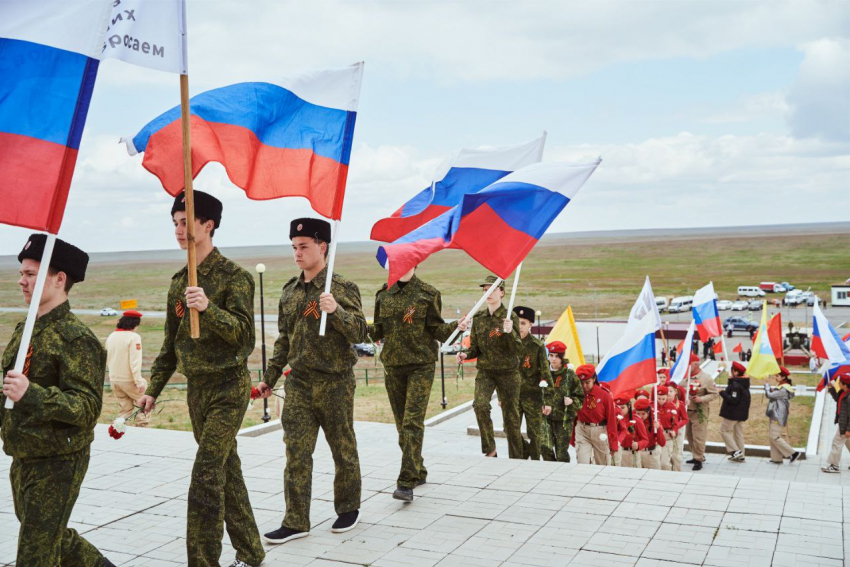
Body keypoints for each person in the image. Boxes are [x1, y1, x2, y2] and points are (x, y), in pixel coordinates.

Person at [138, 191, 265, 567]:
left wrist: (209, 309)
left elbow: (245, 336)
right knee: (227, 470)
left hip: (228, 386)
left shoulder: (235, 278)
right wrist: (153, 390)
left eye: (184, 222)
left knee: (206, 476)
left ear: (207, 225)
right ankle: (252, 553)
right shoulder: (180, 282)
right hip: (198, 390)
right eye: (174, 223)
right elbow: (170, 345)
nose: (178, 231)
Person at [1, 234, 117, 566]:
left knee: (36, 553)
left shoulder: (76, 339)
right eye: (22, 273)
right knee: (51, 536)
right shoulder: (27, 329)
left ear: (59, 279)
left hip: (58, 460)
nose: (21, 281)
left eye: (31, 274)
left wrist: (31, 394)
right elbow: (10, 386)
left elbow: (87, 408)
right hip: (23, 454)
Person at [257, 218, 367, 543]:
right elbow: (283, 340)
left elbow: (361, 332)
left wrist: (336, 312)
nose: (297, 253)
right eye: (294, 247)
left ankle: (348, 508)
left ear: (323, 247)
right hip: (300, 384)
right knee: (296, 452)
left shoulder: (342, 288)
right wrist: (269, 377)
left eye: (303, 246)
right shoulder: (289, 292)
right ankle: (295, 521)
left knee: (342, 448)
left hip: (335, 383)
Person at [367, 267, 466, 501]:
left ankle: (406, 482)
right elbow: (378, 330)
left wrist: (456, 327)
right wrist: (349, 325)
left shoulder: (428, 293)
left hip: (420, 365)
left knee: (412, 422)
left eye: (409, 260)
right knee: (402, 425)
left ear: (417, 263)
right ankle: (418, 470)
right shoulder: (383, 295)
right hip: (393, 365)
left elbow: (438, 330)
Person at [457, 276, 524, 459]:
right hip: (486, 371)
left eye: (492, 289)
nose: (487, 292)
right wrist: (465, 355)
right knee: (480, 405)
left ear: (501, 292)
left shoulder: (510, 318)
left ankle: (517, 456)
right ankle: (490, 450)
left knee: (511, 417)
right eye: (485, 289)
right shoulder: (479, 318)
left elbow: (518, 348)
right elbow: (475, 348)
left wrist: (509, 333)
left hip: (508, 372)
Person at [513, 306, 550, 460]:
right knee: (510, 430)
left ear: (530, 325)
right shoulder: (508, 343)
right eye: (517, 323)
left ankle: (534, 461)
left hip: (532, 396)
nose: (519, 326)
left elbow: (545, 373)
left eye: (523, 323)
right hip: (513, 396)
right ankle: (520, 455)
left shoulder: (537, 346)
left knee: (534, 433)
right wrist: (501, 396)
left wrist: (547, 400)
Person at [541, 341, 583, 462]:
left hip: (563, 419)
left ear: (562, 357)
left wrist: (572, 401)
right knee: (544, 447)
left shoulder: (569, 374)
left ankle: (560, 473)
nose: (553, 359)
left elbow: (580, 397)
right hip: (545, 417)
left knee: (561, 452)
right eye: (551, 355)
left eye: (557, 356)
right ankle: (550, 469)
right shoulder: (543, 372)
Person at [105, 310, 148, 427]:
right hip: (129, 381)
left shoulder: (111, 336)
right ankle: (141, 430)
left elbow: (107, 358)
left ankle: (118, 431)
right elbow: (135, 362)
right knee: (145, 404)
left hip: (114, 380)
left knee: (125, 410)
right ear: (134, 324)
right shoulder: (134, 337)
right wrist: (138, 381)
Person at [573, 364, 618, 465]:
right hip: (582, 430)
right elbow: (574, 416)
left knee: (603, 465)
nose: (584, 386)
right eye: (581, 383)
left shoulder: (604, 395)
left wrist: (613, 443)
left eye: (587, 382)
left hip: (600, 432)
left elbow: (611, 420)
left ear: (594, 379)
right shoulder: (576, 393)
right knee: (582, 463)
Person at [684, 354, 718, 471]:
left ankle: (699, 459)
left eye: (689, 364)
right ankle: (695, 455)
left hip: (699, 412)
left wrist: (701, 399)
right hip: (686, 412)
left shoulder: (706, 378)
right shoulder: (685, 377)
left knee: (699, 436)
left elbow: (714, 394)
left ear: (696, 364)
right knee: (689, 436)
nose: (687, 367)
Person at [765, 367, 800, 465]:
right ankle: (776, 459)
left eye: (778, 376)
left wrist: (767, 385)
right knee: (773, 437)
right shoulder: (782, 386)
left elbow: (769, 395)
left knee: (775, 436)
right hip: (775, 413)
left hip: (778, 415)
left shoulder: (784, 389)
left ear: (783, 377)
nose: (776, 377)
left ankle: (793, 453)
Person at [718, 361, 751, 462]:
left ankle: (735, 451)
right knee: (738, 434)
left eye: (732, 370)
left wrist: (722, 392)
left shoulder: (736, 385)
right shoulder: (742, 383)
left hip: (733, 413)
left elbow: (733, 400)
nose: (730, 372)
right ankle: (741, 456)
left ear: (736, 372)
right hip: (740, 413)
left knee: (723, 430)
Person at [822, 373, 850, 473]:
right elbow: (837, 399)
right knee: (847, 442)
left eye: (840, 383)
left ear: (845, 384)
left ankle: (834, 466)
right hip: (842, 423)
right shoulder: (843, 392)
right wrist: (831, 388)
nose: (838, 384)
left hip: (845, 425)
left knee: (836, 443)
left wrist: (848, 429)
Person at [614, 396, 648, 468]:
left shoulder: (637, 420)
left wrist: (638, 444)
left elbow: (645, 440)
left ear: (629, 406)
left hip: (632, 454)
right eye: (618, 407)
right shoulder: (613, 420)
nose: (620, 410)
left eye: (622, 408)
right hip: (618, 453)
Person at [634, 398, 665, 469]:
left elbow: (662, 443)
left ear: (648, 412)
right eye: (638, 413)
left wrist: (658, 428)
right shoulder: (633, 419)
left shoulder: (654, 420)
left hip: (651, 454)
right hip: (637, 453)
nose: (640, 416)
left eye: (643, 414)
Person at [666, 380, 688, 471]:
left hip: (678, 431)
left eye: (671, 391)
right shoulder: (663, 404)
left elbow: (685, 419)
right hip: (667, 431)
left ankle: (677, 471)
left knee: (677, 453)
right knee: (667, 453)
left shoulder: (680, 405)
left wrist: (677, 426)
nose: (668, 393)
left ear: (675, 392)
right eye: (666, 391)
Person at [656, 385, 678, 471]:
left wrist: (674, 431)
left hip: (667, 436)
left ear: (667, 397)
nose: (661, 401)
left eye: (663, 399)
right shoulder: (652, 406)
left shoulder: (671, 406)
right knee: (656, 462)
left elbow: (675, 423)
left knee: (664, 463)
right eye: (659, 398)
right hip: (656, 436)